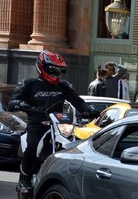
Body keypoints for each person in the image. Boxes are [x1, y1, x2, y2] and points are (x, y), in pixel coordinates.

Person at [8, 50, 97, 189]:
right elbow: (12, 103)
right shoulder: (29, 84)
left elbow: (78, 102)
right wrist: (22, 104)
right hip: (37, 124)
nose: (57, 73)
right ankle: (24, 179)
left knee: (76, 146)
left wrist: (89, 110)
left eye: (60, 70)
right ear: (42, 66)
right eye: (53, 69)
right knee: (32, 147)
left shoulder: (63, 86)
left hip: (60, 126)